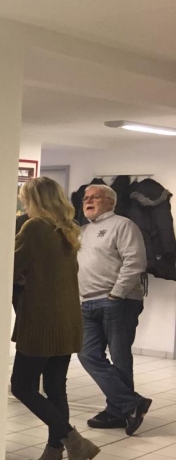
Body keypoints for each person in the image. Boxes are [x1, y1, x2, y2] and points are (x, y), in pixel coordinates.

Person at [12, 177, 99, 460]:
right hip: (67, 320)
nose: (23, 203)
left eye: (25, 198)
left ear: (34, 199)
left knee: (22, 386)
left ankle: (74, 441)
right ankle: (52, 458)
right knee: (55, 387)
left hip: (42, 321)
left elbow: (10, 268)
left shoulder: (34, 227)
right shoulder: (67, 229)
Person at [76, 184, 151, 435]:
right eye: (85, 198)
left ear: (110, 201)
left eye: (94, 197)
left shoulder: (123, 225)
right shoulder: (83, 231)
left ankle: (117, 411)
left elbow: (135, 262)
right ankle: (131, 404)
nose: (88, 201)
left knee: (120, 358)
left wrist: (116, 293)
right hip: (87, 302)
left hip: (119, 301)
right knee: (87, 355)